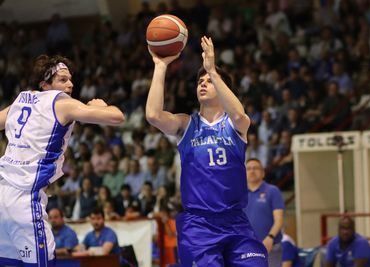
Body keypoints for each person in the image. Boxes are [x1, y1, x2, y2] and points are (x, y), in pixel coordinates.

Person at [146, 36, 268, 266]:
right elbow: (153, 115)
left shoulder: (235, 124)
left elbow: (240, 115)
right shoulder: (186, 124)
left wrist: (212, 69)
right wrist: (160, 66)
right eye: (200, 80)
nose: (202, 83)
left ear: (224, 90)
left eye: (209, 80)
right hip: (199, 225)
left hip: (236, 221)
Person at [0, 54, 125, 266]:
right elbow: (117, 117)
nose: (70, 84)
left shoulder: (21, 99)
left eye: (70, 79)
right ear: (45, 84)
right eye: (63, 79)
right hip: (25, 199)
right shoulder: (61, 102)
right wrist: (102, 106)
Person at [244, 158, 284, 267]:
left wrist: (270, 238)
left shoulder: (272, 191)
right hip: (247, 248)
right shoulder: (240, 194)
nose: (252, 171)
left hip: (270, 246)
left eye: (255, 168)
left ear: (263, 173)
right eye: (248, 169)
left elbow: (279, 220)